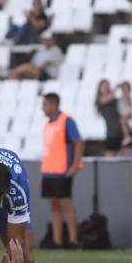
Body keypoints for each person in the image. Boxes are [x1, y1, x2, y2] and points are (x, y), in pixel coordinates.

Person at [40, 93, 83, 249]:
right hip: (49, 170)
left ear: (54, 104)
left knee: (67, 205)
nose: (43, 108)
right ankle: (57, 240)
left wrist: (74, 166)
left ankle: (73, 240)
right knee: (54, 206)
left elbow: (78, 142)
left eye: (45, 104)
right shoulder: (48, 124)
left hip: (63, 171)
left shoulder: (66, 121)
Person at [96, 80, 132, 157]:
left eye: (107, 86)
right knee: (109, 160)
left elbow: (126, 107)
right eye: (103, 86)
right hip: (111, 134)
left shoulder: (115, 100)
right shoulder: (100, 101)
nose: (106, 88)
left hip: (123, 132)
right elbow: (106, 99)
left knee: (127, 160)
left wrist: (125, 91)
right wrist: (116, 88)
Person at [117, 81, 132, 149]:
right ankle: (126, 137)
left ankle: (127, 137)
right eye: (123, 88)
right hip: (122, 113)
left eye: (126, 88)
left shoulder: (128, 96)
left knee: (123, 123)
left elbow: (129, 106)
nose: (124, 90)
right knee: (122, 124)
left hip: (126, 113)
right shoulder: (121, 97)